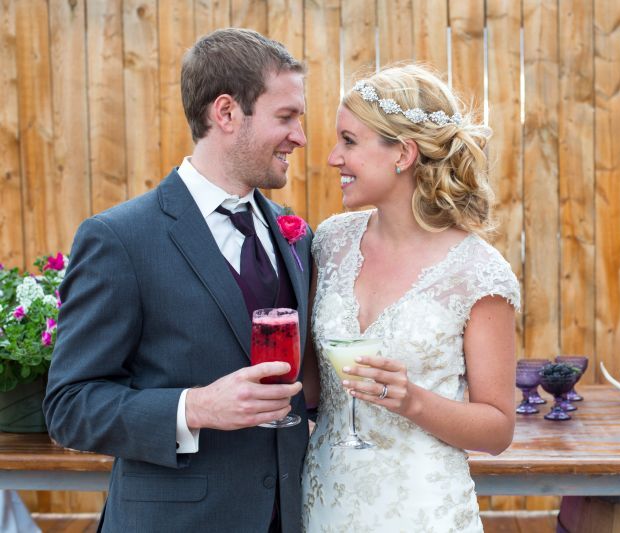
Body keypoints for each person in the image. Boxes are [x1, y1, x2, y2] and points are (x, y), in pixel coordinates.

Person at [44, 28, 312, 532]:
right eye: (286, 117)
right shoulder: (120, 238)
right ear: (227, 113)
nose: (300, 135)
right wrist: (196, 407)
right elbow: (69, 406)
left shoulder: (294, 234)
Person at [301, 64, 519, 531]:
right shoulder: (330, 243)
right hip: (326, 501)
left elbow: (498, 429)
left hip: (424, 510)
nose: (333, 157)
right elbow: (314, 389)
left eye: (349, 141)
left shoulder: (479, 273)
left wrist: (411, 401)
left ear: (403, 152)